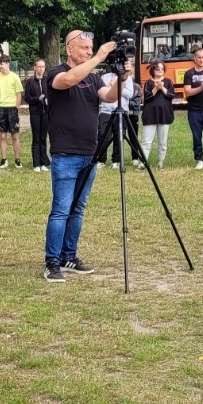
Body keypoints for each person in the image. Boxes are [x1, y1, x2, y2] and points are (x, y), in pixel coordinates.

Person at [42, 31, 121, 281]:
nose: (89, 51)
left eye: (91, 48)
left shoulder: (94, 78)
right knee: (61, 209)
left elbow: (110, 97)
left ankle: (69, 255)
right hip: (66, 153)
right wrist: (98, 58)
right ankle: (52, 261)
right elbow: (68, 80)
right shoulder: (56, 72)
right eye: (84, 47)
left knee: (78, 209)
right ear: (69, 49)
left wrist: (122, 77)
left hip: (89, 153)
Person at [97, 57, 138, 167]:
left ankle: (117, 160)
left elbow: (130, 94)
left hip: (121, 111)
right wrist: (111, 87)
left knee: (119, 135)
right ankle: (101, 160)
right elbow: (101, 93)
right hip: (106, 111)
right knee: (102, 136)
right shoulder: (105, 77)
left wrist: (118, 87)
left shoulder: (127, 78)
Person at [139, 60, 174, 169]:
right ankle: (143, 162)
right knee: (146, 141)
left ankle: (160, 162)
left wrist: (162, 87)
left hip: (164, 114)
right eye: (157, 68)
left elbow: (171, 95)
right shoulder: (148, 83)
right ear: (153, 70)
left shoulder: (168, 81)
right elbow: (147, 97)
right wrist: (155, 88)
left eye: (162, 68)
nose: (160, 70)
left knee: (163, 141)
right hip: (150, 114)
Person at [0, 54, 23, 168]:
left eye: (2, 63)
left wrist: (16, 108)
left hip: (12, 108)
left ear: (8, 64)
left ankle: (17, 159)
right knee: (3, 136)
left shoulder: (15, 77)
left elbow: (18, 94)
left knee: (14, 135)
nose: (1, 66)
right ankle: (4, 160)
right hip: (0, 108)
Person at [24, 58, 50, 171]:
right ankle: (36, 163)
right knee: (36, 138)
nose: (41, 69)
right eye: (39, 66)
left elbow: (51, 95)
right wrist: (37, 99)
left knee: (43, 137)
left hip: (45, 113)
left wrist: (48, 101)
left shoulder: (47, 80)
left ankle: (44, 162)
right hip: (35, 113)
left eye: (42, 66)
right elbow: (27, 98)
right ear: (35, 68)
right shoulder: (30, 82)